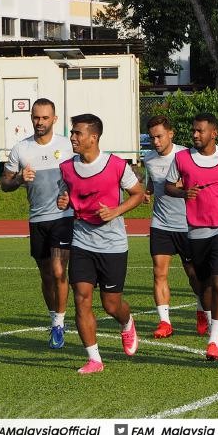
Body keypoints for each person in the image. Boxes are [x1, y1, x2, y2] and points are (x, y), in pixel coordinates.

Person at [58, 114, 145, 374]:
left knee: (111, 304)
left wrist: (117, 210)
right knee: (81, 298)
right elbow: (66, 196)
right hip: (82, 241)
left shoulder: (117, 165)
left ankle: (127, 322)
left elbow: (138, 194)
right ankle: (94, 359)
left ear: (93, 137)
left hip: (113, 245)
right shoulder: (66, 168)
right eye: (72, 133)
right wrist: (63, 202)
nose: (72, 137)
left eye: (77, 133)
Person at [165, 113, 218, 361]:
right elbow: (168, 185)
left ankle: (215, 339)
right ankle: (204, 310)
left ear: (214, 133)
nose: (194, 135)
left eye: (199, 131)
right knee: (201, 286)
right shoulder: (181, 158)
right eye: (193, 130)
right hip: (196, 229)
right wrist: (183, 193)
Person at [1, 98, 74, 349]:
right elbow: (5, 184)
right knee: (45, 274)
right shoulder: (21, 149)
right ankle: (54, 318)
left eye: (44, 118)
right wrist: (20, 178)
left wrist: (72, 198)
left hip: (63, 217)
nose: (39, 122)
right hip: (37, 219)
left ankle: (60, 324)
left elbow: (84, 176)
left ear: (54, 119)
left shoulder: (68, 146)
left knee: (58, 270)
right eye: (36, 117)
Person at [141, 116, 203, 338]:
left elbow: (199, 185)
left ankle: (202, 309)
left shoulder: (187, 156)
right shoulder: (149, 159)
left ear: (171, 134)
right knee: (159, 273)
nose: (155, 142)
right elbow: (153, 181)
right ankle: (165, 322)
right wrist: (148, 192)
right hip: (161, 223)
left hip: (187, 225)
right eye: (152, 138)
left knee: (194, 275)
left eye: (159, 136)